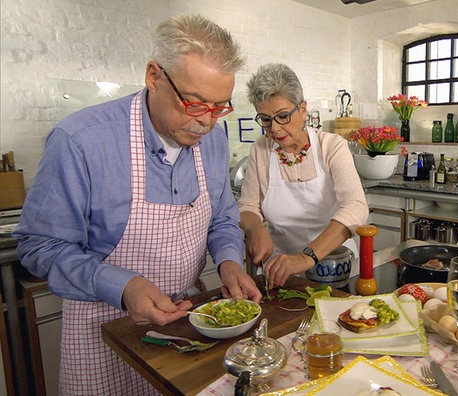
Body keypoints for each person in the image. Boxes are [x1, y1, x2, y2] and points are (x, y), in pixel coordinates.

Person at [13, 14, 260, 395]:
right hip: (102, 327)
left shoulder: (212, 141)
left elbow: (223, 217)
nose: (207, 123)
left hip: (183, 323)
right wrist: (124, 285)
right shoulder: (81, 141)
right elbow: (40, 246)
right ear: (154, 76)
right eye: (195, 104)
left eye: (219, 107)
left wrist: (229, 261)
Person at [238, 63, 368, 288]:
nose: (275, 129)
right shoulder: (260, 150)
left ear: (303, 109)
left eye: (283, 116)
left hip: (334, 266)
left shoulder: (331, 146)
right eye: (266, 120)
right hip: (281, 271)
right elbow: (248, 206)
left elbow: (356, 206)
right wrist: (255, 228)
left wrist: (306, 257)